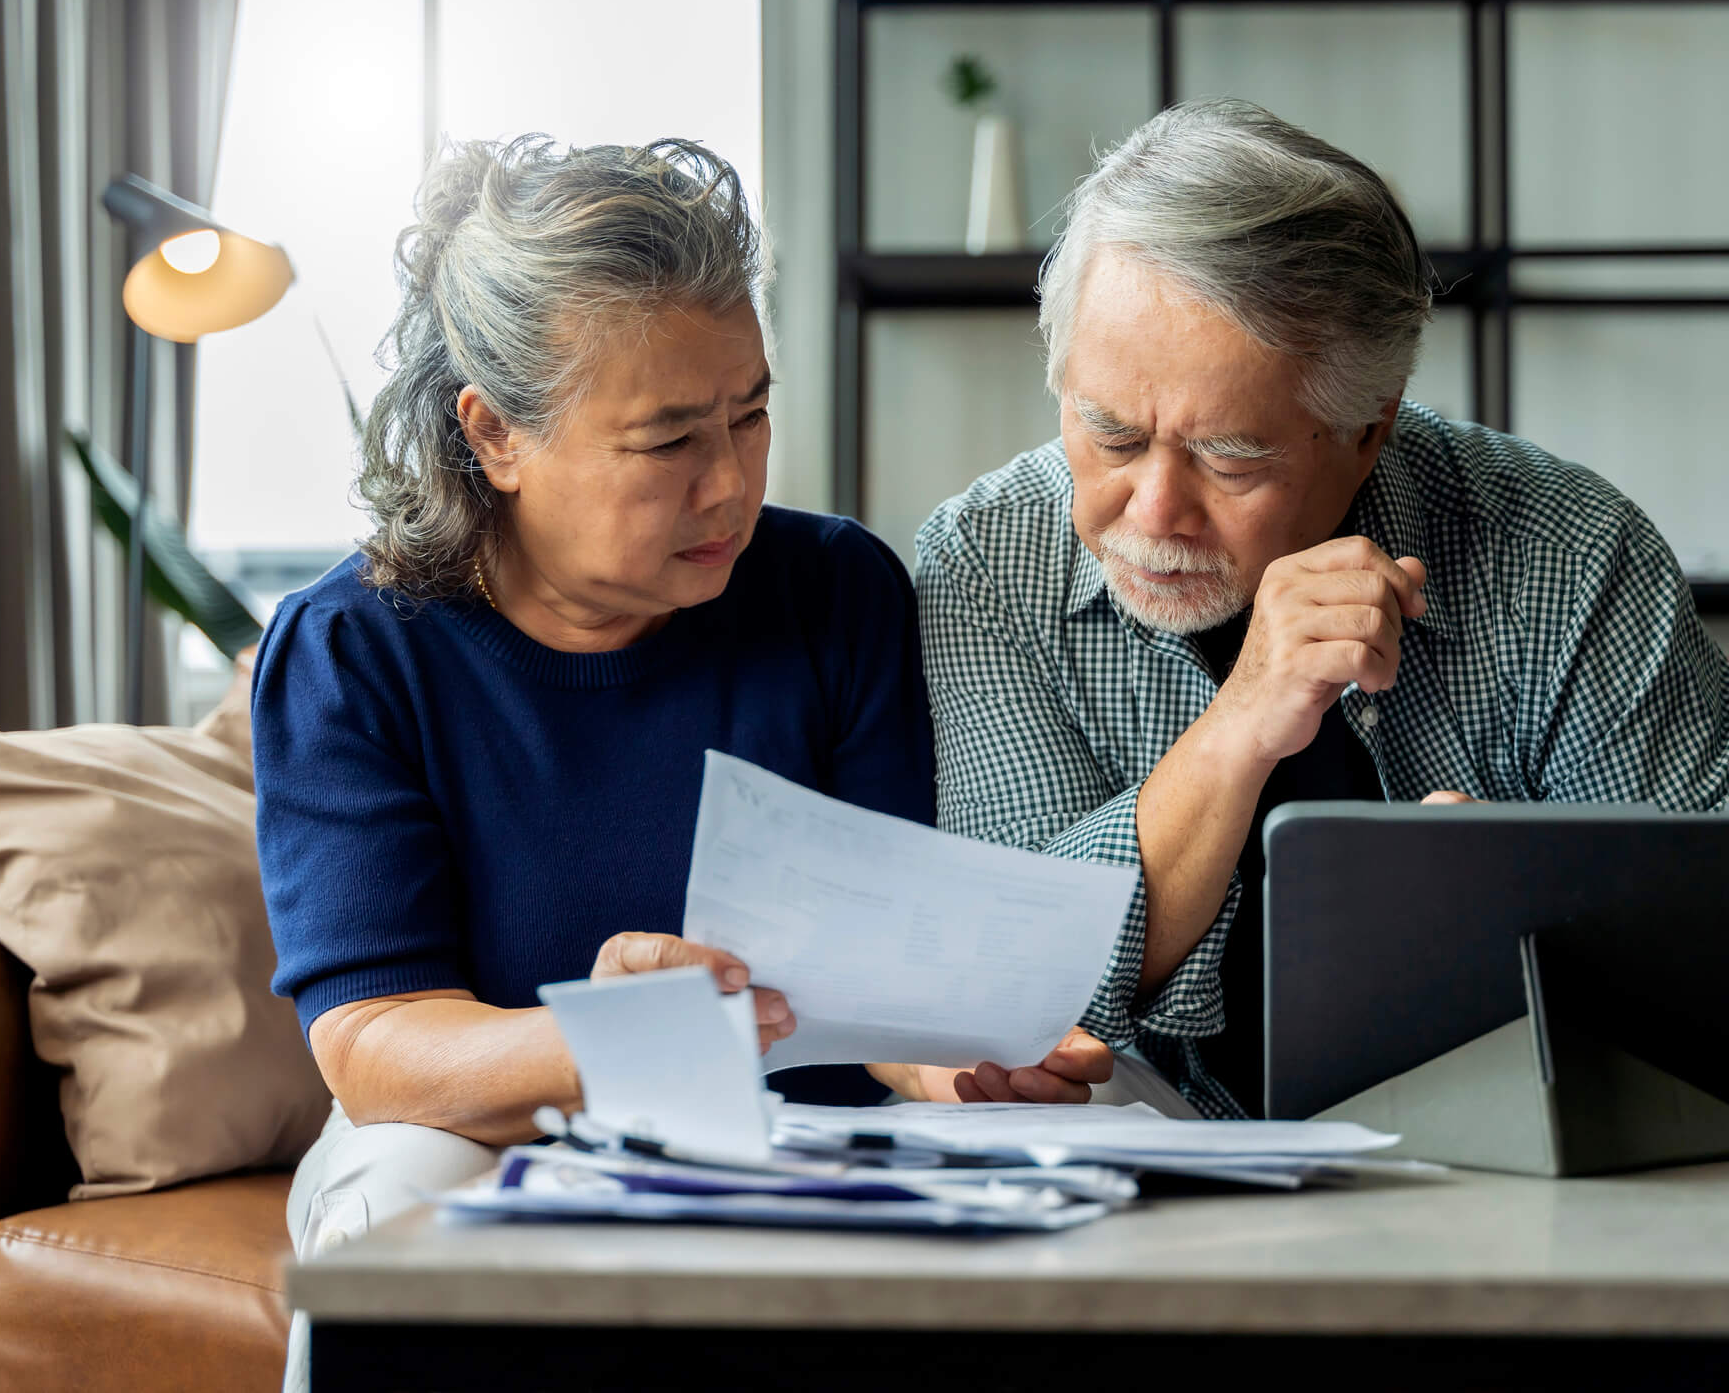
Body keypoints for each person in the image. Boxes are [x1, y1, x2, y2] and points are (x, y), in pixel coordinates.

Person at [912, 99, 1729, 1189]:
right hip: (1152, 1093)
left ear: (1370, 425)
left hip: (1525, 1077)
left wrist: (1518, 915)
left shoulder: (1574, 552)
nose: (1153, 512)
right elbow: (1006, 977)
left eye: (1230, 459)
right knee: (1005, 1127)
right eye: (1109, 434)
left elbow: (1728, 968)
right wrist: (1244, 719)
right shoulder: (983, 560)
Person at [253, 136, 1107, 1391]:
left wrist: (963, 1060)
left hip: (801, 1133)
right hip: (481, 1134)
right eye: (666, 443)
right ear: (493, 434)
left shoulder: (834, 592)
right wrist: (614, 1038)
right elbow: (375, 1049)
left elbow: (876, 986)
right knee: (399, 1211)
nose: (731, 483)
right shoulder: (356, 648)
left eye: (751, 413)